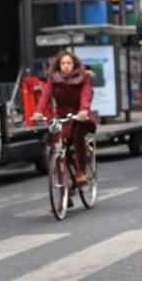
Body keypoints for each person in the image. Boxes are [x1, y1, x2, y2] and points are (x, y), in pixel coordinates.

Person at [32, 51, 96, 186]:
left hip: (80, 117)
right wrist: (38, 111)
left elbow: (86, 95)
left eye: (69, 63)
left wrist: (84, 109)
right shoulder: (54, 80)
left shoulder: (83, 78)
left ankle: (81, 171)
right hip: (63, 118)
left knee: (78, 135)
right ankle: (63, 191)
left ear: (74, 65)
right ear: (58, 65)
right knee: (59, 148)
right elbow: (45, 96)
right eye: (63, 63)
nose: (66, 66)